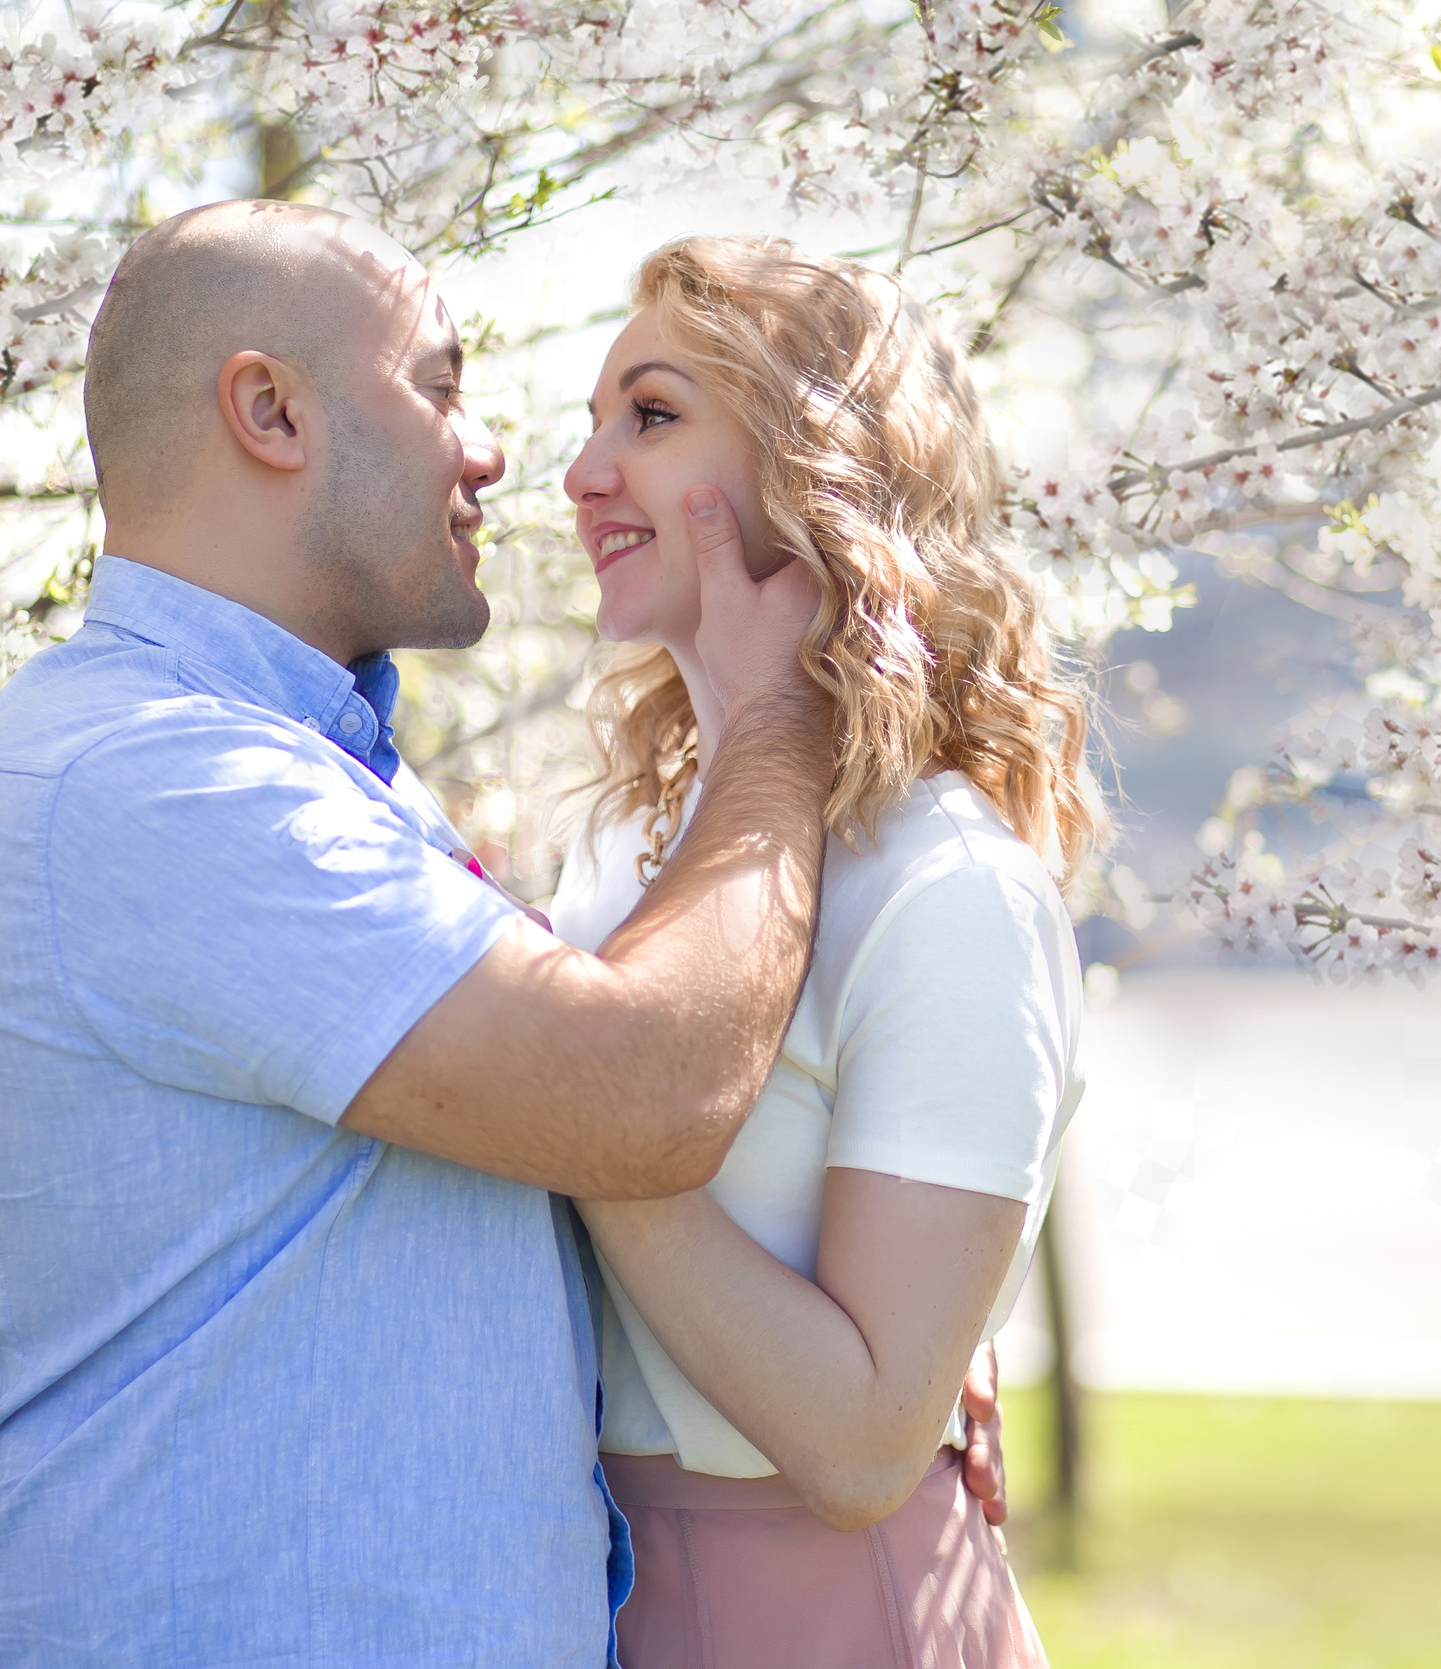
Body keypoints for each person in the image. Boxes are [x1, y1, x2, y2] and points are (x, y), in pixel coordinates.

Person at [0, 201, 845, 1666]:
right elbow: (644, 1092)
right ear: (270, 410)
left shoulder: (294, 766)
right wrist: (783, 716)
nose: (491, 451)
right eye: (439, 383)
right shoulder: (172, 781)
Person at [550, 236, 1100, 1667]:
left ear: (812, 467)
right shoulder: (616, 860)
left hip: (835, 1618)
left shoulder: (944, 888)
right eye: (595, 419)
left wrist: (577, 1111)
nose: (583, 472)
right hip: (592, 1591)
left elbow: (863, 1444)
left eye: (651, 416)